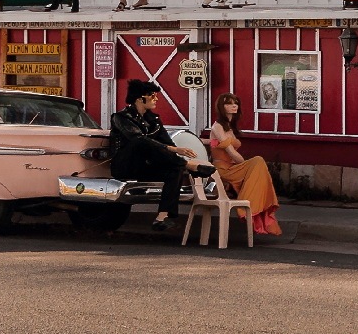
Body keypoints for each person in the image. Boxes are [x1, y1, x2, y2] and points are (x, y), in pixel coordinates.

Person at [109, 80, 215, 231]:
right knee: (140, 141)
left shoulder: (154, 120)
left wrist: (175, 150)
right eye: (152, 96)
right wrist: (174, 151)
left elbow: (167, 143)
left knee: (174, 169)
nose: (156, 99)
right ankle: (188, 165)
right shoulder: (121, 117)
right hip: (126, 166)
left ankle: (161, 218)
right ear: (140, 98)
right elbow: (139, 140)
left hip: (146, 166)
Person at [206, 93, 283, 236]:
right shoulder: (218, 127)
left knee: (258, 168)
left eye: (235, 103)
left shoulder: (229, 127)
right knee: (258, 162)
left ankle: (255, 205)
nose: (234, 105)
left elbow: (213, 143)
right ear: (221, 107)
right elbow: (231, 152)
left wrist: (210, 143)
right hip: (223, 169)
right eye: (229, 103)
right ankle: (247, 206)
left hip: (232, 167)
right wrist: (247, 164)